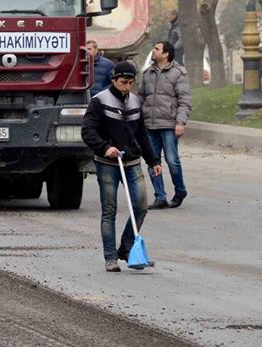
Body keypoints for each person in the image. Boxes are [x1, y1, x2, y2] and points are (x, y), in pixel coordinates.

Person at [81, 61, 162, 272]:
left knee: (141, 206)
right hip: (108, 163)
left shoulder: (136, 102)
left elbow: (142, 134)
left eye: (131, 82)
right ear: (114, 80)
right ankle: (110, 257)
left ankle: (126, 250)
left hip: (132, 162)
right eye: (123, 82)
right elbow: (88, 132)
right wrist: (104, 147)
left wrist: (153, 161)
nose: (127, 86)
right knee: (110, 210)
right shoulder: (99, 101)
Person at [141, 40, 192, 210]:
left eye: (156, 49)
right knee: (152, 162)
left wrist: (180, 122)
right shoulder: (147, 73)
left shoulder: (178, 73)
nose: (153, 51)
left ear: (165, 54)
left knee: (172, 161)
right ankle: (160, 197)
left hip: (169, 125)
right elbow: (141, 98)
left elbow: (185, 100)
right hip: (150, 125)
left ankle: (180, 191)